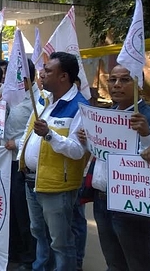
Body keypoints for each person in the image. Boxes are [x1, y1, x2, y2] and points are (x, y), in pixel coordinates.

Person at [79, 65, 150, 271]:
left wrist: (146, 134)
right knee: (114, 262)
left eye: (125, 80)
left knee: (138, 262)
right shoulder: (105, 117)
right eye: (112, 80)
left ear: (139, 84)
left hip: (132, 205)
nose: (117, 85)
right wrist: (87, 141)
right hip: (102, 200)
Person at [17, 52, 89, 271]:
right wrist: (22, 158)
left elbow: (78, 151)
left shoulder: (80, 107)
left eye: (48, 70)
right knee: (38, 233)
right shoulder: (43, 100)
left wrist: (49, 134)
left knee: (61, 241)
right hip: (32, 181)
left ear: (63, 76)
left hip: (57, 186)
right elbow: (27, 134)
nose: (42, 73)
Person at [3, 59, 39, 271]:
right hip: (7, 162)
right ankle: (14, 251)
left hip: (22, 164)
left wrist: (15, 143)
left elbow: (36, 132)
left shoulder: (37, 102)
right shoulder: (10, 99)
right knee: (13, 211)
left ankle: (29, 258)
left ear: (23, 79)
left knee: (25, 214)